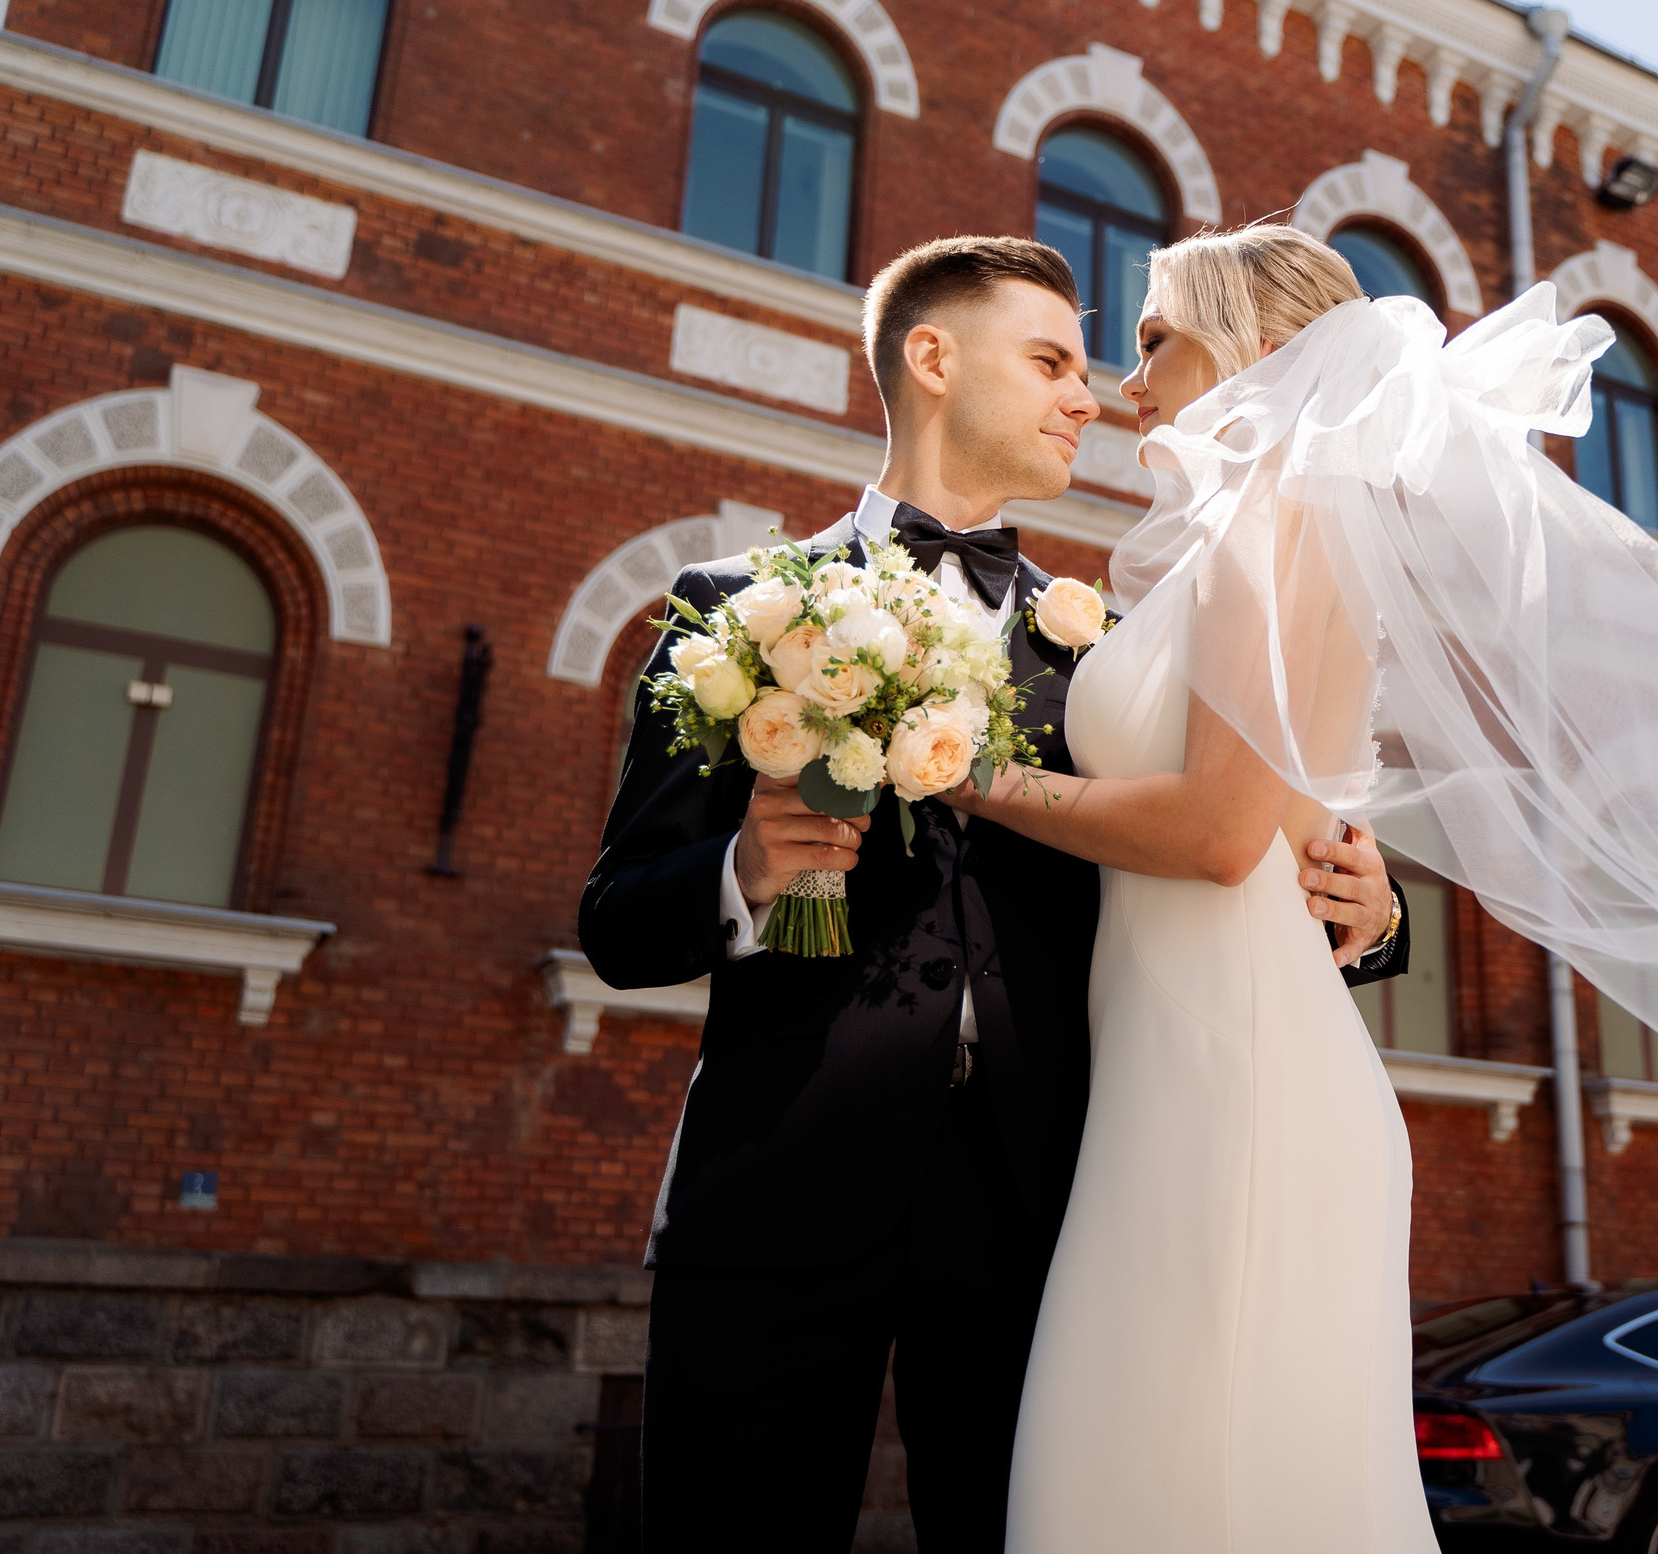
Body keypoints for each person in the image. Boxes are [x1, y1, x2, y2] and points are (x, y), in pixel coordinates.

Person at [947, 225, 1658, 1550]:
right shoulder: (1258, 542)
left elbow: (1220, 835)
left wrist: (965, 776)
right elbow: (1283, 818)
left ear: (1261, 350)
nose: (1127, 376)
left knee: (1173, 1475)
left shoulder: (1271, 533)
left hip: (1235, 1081)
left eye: (1158, 336)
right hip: (1187, 1064)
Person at [575, 235, 1408, 1554]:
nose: (1093, 395)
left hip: (1049, 1215)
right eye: (1052, 360)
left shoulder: (1097, 653)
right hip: (776, 1192)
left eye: (1102, 358)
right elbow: (616, 915)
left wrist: (1369, 908)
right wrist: (743, 872)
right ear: (932, 357)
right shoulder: (729, 609)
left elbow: (1215, 827)